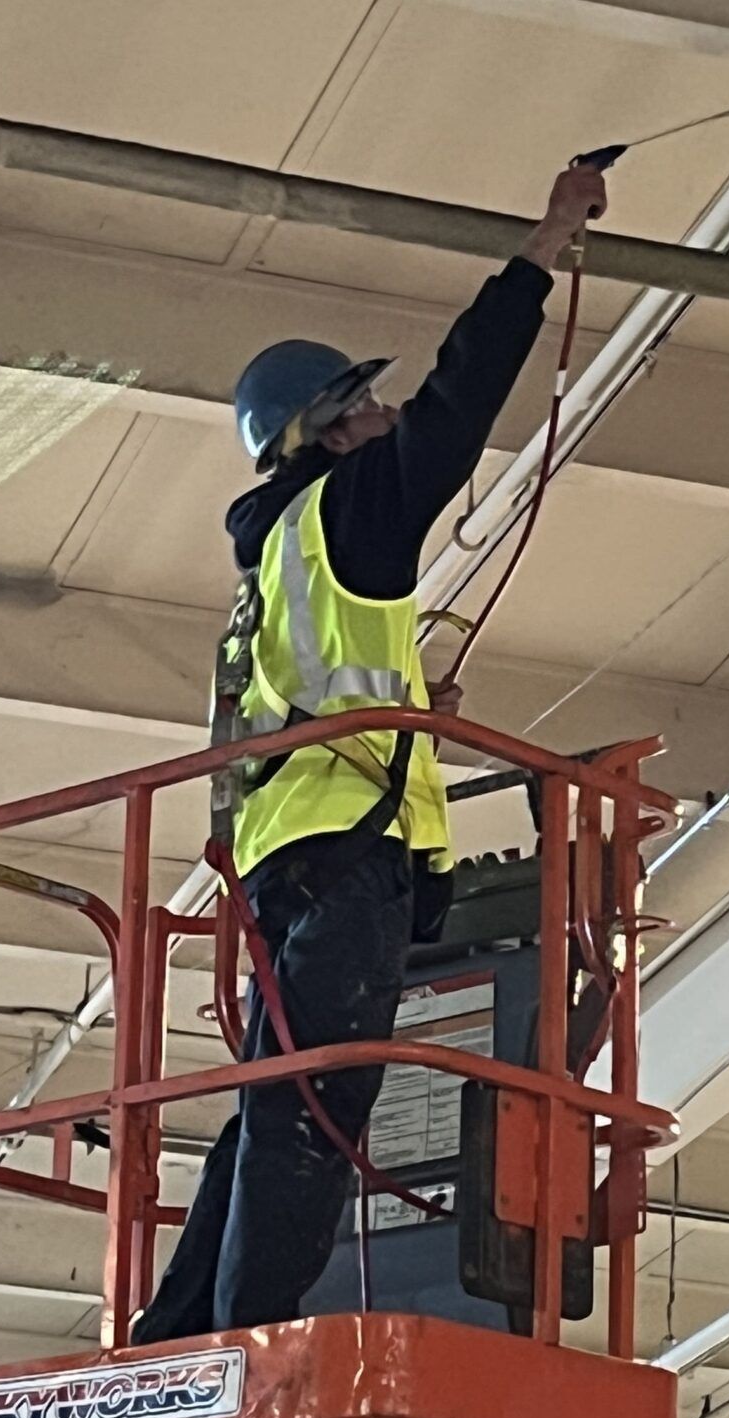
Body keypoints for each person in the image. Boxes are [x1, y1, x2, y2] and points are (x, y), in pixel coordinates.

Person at [134, 160, 609, 1343]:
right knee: (312, 1100)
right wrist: (541, 246)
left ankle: (177, 1328)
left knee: (266, 1104)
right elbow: (461, 400)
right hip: (345, 851)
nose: (390, 414)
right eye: (369, 402)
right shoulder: (355, 506)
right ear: (333, 427)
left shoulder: (284, 551)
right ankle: (250, 1339)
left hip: (291, 851)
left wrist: (408, 702)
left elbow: (292, 697)